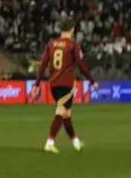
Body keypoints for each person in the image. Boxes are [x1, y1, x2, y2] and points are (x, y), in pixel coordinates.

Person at [36, 19, 97, 153]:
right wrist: (92, 81)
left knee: (66, 114)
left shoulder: (51, 44)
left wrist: (37, 83)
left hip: (53, 84)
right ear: (72, 30)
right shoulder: (72, 45)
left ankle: (75, 142)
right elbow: (81, 66)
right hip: (67, 84)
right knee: (60, 112)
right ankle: (50, 142)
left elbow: (43, 64)